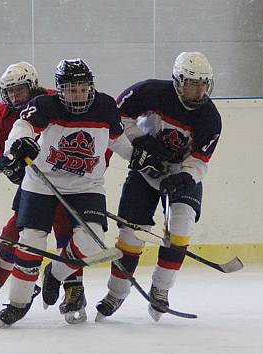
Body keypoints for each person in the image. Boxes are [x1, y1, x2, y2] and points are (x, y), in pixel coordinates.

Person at [0, 59, 134, 327]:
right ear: (60, 89)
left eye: (82, 88)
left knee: (92, 241)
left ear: (90, 86)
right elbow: (21, 127)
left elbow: (118, 140)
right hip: (42, 182)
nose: (77, 95)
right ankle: (18, 302)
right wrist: (18, 145)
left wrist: (138, 159)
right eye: (71, 89)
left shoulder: (105, 106)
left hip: (87, 186)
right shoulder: (46, 106)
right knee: (31, 241)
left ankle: (55, 274)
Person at [95, 51, 222, 322]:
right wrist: (141, 142)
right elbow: (116, 119)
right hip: (145, 168)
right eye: (191, 83)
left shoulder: (211, 118)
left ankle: (161, 290)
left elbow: (200, 160)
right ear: (177, 81)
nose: (198, 90)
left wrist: (184, 177)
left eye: (202, 84)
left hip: (180, 172)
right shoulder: (149, 92)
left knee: (181, 226)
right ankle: (116, 292)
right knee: (131, 233)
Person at [0, 62, 80, 315]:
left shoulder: (56, 102)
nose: (14, 96)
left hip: (67, 181)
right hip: (34, 186)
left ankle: (74, 288)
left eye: (19, 90)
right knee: (12, 232)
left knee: (67, 233)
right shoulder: (2, 113)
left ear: (33, 87)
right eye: (9, 91)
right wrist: (4, 163)